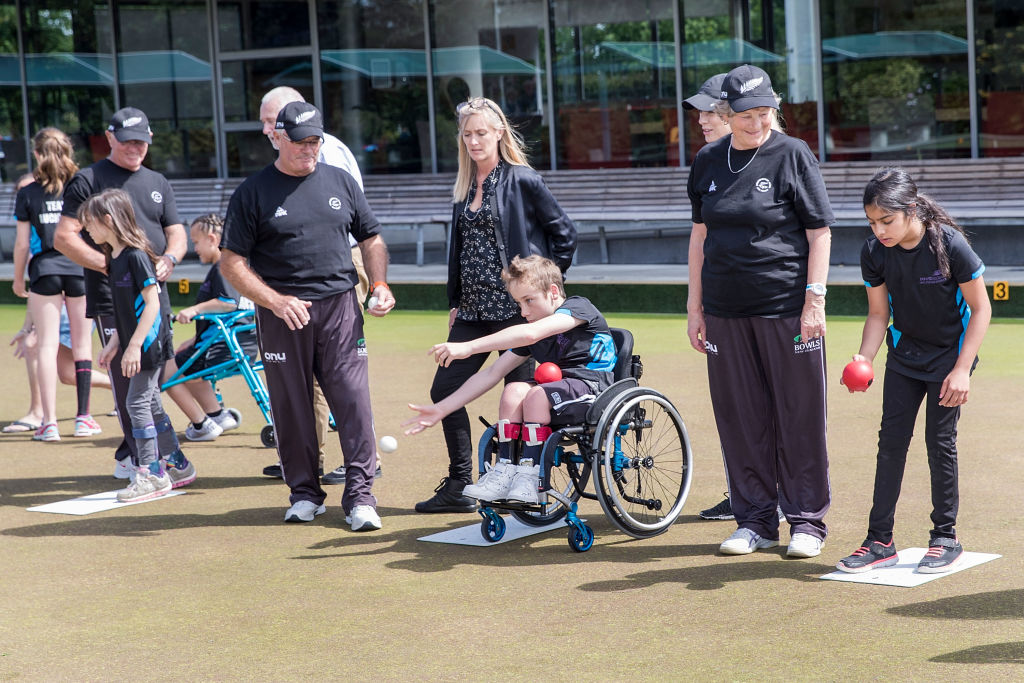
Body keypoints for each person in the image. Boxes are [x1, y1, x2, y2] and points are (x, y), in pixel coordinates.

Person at [221, 101, 394, 530]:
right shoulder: (253, 191)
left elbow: (371, 238)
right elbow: (231, 262)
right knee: (292, 407)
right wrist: (275, 301)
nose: (309, 149)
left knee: (353, 402)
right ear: (277, 137)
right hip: (282, 314)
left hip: (340, 307)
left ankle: (360, 497)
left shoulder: (340, 180)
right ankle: (304, 493)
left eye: (315, 140)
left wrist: (379, 284)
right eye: (300, 142)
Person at [686, 64, 833, 559]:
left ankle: (807, 522)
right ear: (727, 114)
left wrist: (815, 299)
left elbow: (819, 233)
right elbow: (700, 235)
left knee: (800, 415)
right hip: (725, 311)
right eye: (747, 114)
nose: (758, 122)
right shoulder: (708, 160)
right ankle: (754, 521)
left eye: (766, 111)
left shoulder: (793, 154)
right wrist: (695, 306)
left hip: (787, 308)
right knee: (741, 418)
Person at [414, 96, 577, 514]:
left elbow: (565, 234)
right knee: (444, 389)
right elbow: (462, 247)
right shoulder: (464, 185)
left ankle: (523, 485)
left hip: (513, 312)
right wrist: (455, 300)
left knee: (518, 396)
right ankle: (460, 482)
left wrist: (542, 295)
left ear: (499, 132)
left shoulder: (522, 179)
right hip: (471, 310)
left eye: (481, 133)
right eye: (467, 134)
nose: (473, 141)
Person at [836, 168, 991, 574]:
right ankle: (879, 541)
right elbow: (877, 313)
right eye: (872, 222)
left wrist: (962, 370)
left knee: (939, 442)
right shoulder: (874, 251)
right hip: (905, 357)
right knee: (890, 444)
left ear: (911, 209)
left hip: (948, 358)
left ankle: (945, 537)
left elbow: (981, 309)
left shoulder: (949, 245)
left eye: (886, 220)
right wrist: (864, 358)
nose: (879, 229)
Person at [405, 255, 615, 503]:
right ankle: (504, 470)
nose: (524, 311)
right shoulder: (535, 330)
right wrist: (442, 408)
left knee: (536, 394)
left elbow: (529, 333)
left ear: (553, 291)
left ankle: (530, 477)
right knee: (514, 390)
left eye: (529, 301)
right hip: (557, 392)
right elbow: (492, 374)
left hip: (594, 389)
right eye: (518, 304)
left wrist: (469, 347)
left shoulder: (578, 307)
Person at [256, 86, 381, 486]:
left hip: (340, 265)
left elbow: (357, 224)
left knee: (336, 373)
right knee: (311, 375)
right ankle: (306, 464)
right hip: (310, 275)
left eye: (269, 122)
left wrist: (377, 282)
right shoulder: (278, 167)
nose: (265, 130)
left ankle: (352, 460)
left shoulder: (325, 156)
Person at [55, 107, 187, 478]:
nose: (135, 148)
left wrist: (171, 258)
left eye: (142, 141)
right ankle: (142, 459)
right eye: (128, 141)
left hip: (154, 291)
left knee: (152, 376)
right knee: (129, 378)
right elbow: (64, 237)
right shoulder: (87, 179)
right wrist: (113, 267)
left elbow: (176, 231)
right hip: (111, 295)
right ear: (110, 137)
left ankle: (143, 454)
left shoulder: (158, 181)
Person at [80, 189, 195, 499]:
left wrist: (134, 346)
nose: (85, 229)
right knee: (152, 404)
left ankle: (152, 473)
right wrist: (116, 342)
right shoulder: (113, 257)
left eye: (89, 222)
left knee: (136, 403)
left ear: (108, 220)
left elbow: (153, 304)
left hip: (149, 343)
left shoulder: (134, 255)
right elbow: (124, 309)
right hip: (135, 342)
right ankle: (177, 462)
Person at [13, 128, 100, 441]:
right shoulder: (84, 186)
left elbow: (22, 245)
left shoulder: (27, 192)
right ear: (69, 153)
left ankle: (49, 423)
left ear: (37, 154)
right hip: (79, 269)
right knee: (82, 345)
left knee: (47, 346)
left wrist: (19, 278)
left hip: (44, 271)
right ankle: (83, 418)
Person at [162, 214, 253, 441]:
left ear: (212, 239)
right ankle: (218, 415)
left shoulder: (224, 265)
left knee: (164, 375)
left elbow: (227, 303)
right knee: (189, 367)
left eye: (196, 242)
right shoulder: (238, 264)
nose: (195, 248)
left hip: (222, 347)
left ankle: (202, 424)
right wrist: (194, 341)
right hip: (241, 343)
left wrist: (194, 310)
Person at [682, 73, 731, 146]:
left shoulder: (752, 156)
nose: (701, 121)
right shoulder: (705, 156)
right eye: (700, 111)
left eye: (710, 112)